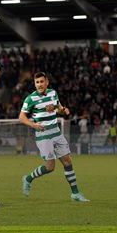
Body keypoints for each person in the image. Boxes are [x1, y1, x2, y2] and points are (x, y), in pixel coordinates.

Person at [19, 72, 89, 202]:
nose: (39, 84)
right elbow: (21, 117)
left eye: (41, 81)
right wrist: (33, 125)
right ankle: (28, 178)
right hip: (43, 134)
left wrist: (64, 110)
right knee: (50, 167)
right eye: (37, 82)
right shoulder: (30, 99)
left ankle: (75, 193)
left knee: (67, 161)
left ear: (47, 82)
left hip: (56, 132)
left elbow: (59, 108)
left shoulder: (53, 93)